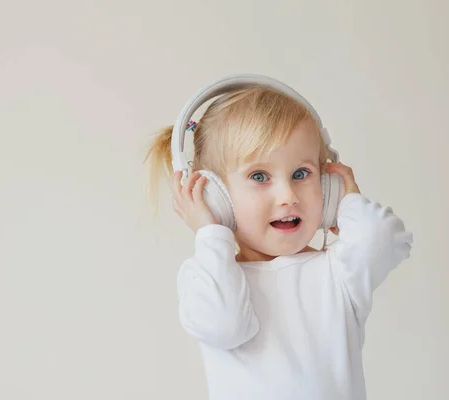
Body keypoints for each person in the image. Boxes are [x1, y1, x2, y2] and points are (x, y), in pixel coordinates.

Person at [144, 74, 413, 400]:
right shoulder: (208, 275)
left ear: (327, 188)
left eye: (302, 174)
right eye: (260, 176)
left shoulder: (338, 272)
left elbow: (386, 240)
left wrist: (348, 203)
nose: (288, 195)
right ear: (217, 196)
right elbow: (224, 326)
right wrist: (211, 233)